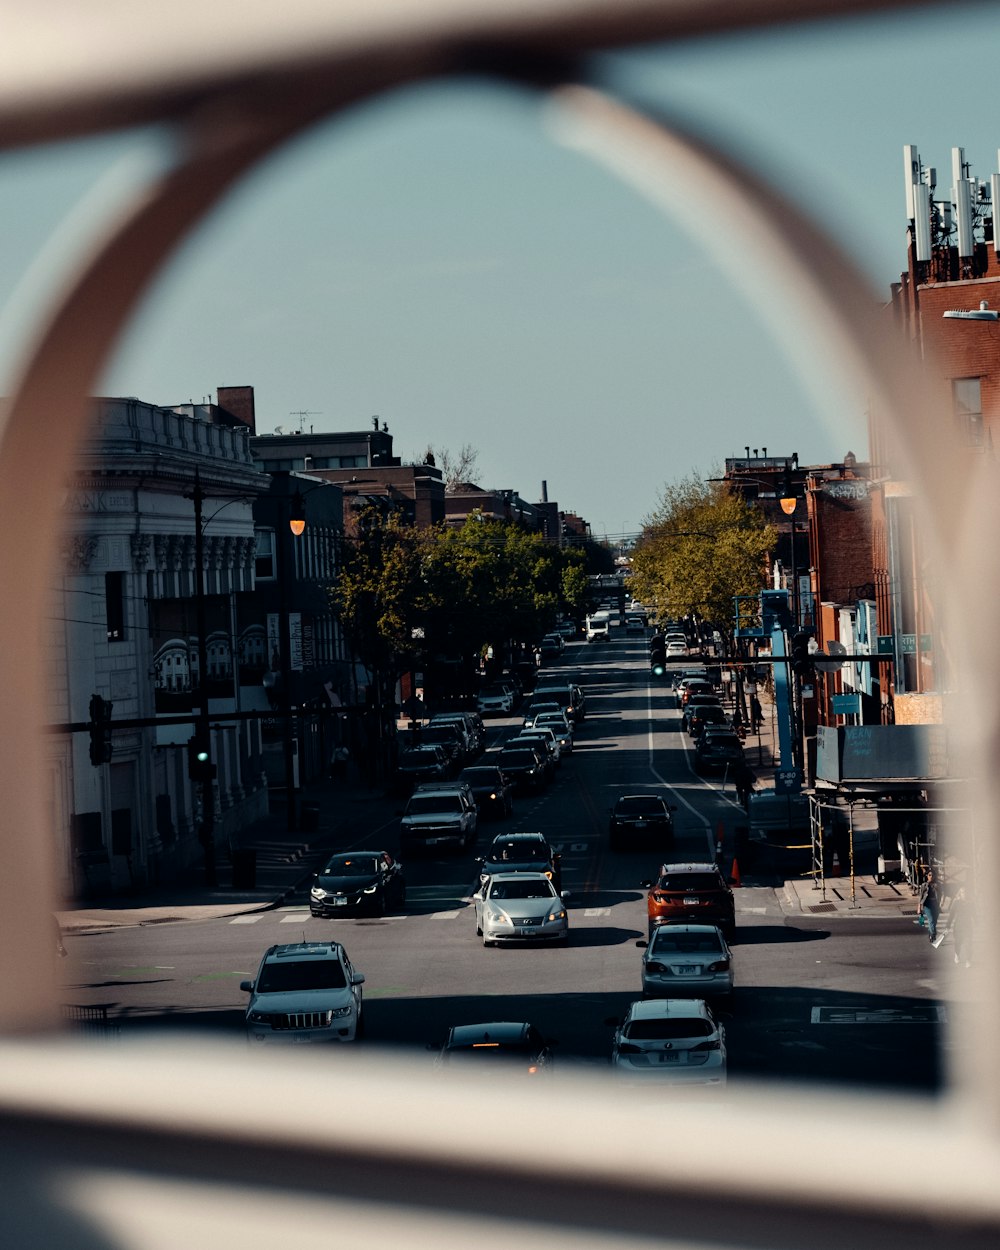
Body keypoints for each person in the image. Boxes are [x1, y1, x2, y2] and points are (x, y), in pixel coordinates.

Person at [917, 869, 940, 943]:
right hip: (927, 905)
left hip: (935, 904)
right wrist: (919, 908)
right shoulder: (924, 885)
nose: (931, 877)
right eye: (929, 875)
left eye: (932, 875)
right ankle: (933, 935)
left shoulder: (937, 885)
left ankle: (931, 932)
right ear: (927, 876)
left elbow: (941, 895)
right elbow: (920, 897)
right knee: (931, 920)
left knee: (935, 921)